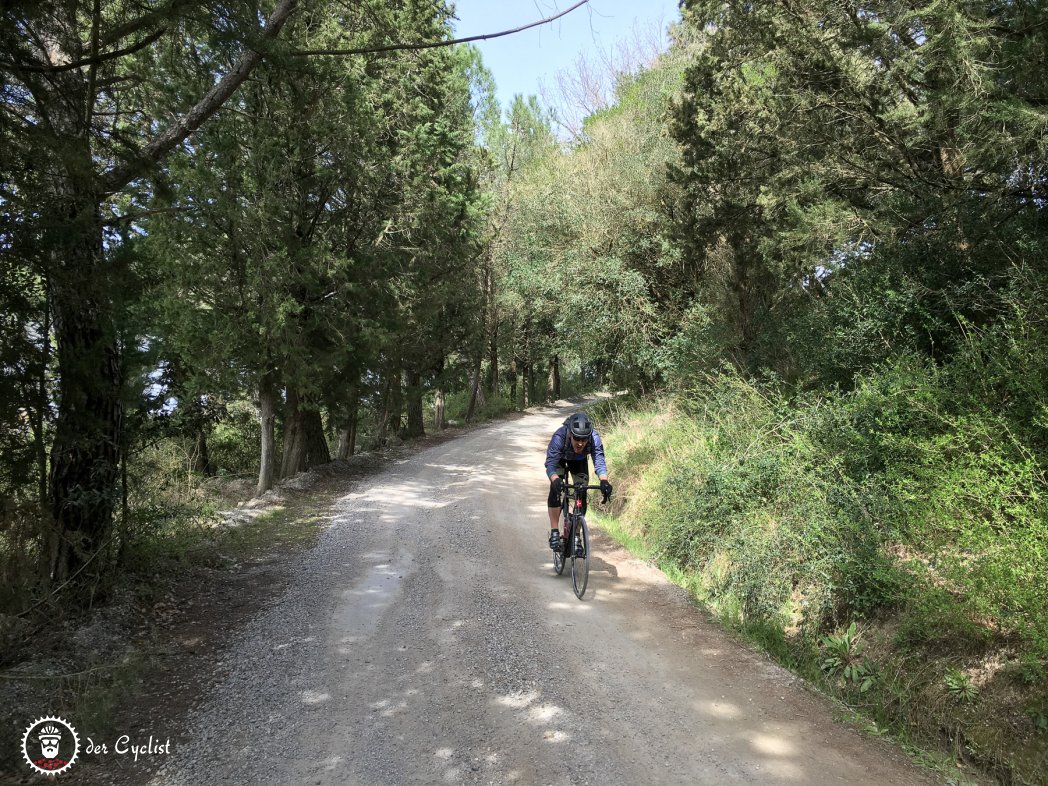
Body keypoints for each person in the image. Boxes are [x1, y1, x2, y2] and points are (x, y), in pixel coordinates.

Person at [544, 412, 612, 551]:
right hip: (560, 460)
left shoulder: (594, 438)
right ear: (570, 434)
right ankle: (555, 531)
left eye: (584, 439)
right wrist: (555, 479)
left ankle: (576, 535)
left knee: (582, 493)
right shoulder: (560, 436)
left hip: (579, 461)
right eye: (576, 438)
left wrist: (604, 481)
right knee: (555, 489)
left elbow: (599, 459)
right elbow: (551, 463)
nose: (580, 443)